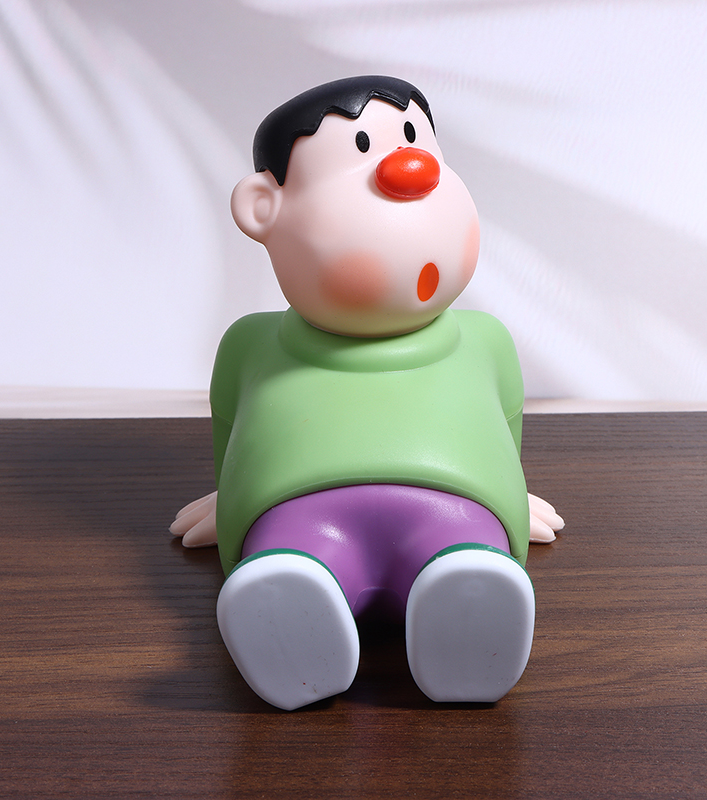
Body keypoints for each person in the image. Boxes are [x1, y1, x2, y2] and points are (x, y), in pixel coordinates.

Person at [171, 76, 563, 710]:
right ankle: (291, 600)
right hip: (293, 509)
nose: (408, 169)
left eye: (412, 138)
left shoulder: (484, 340)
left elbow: (504, 428)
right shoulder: (250, 345)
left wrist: (511, 495)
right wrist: (235, 496)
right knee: (289, 558)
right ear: (263, 209)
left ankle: (468, 596)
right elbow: (231, 429)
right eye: (361, 148)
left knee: (465, 552)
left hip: (456, 507)